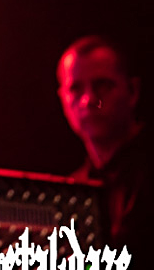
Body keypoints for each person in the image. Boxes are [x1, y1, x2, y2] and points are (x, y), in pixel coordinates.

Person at [57, 35, 149, 257]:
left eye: (103, 86)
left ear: (133, 91)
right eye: (75, 89)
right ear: (62, 99)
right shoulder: (72, 190)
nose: (89, 100)